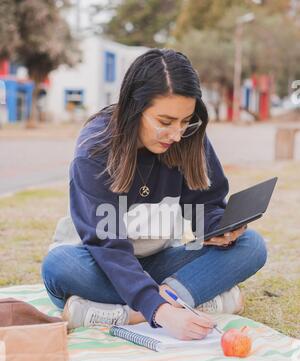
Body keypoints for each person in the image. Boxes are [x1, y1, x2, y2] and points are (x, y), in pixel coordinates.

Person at [41, 48, 267, 341]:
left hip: (159, 261)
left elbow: (206, 205)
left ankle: (132, 310)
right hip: (99, 262)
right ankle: (173, 303)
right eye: (165, 122)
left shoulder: (187, 138)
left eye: (186, 121)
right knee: (59, 267)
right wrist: (160, 311)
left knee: (251, 246)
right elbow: (107, 244)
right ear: (134, 108)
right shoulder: (95, 150)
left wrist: (217, 229)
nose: (176, 134)